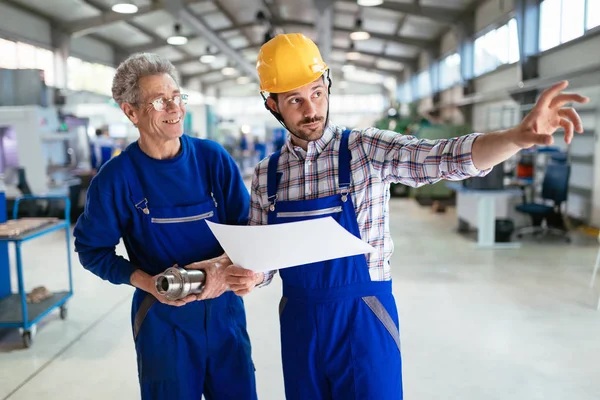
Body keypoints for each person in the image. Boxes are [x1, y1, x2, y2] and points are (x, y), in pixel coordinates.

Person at [224, 33, 589, 400]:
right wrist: (251, 276)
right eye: (295, 100)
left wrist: (516, 137)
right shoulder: (267, 175)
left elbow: (443, 157)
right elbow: (264, 262)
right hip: (299, 323)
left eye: (317, 93)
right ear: (272, 104)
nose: (312, 110)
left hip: (363, 318)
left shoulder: (364, 149)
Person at [73, 53, 257, 400]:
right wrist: (148, 283)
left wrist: (223, 269)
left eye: (176, 97)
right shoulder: (117, 179)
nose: (174, 108)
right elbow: (92, 249)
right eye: (160, 101)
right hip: (162, 320)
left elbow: (250, 228)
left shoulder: (212, 159)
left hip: (225, 316)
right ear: (131, 112)